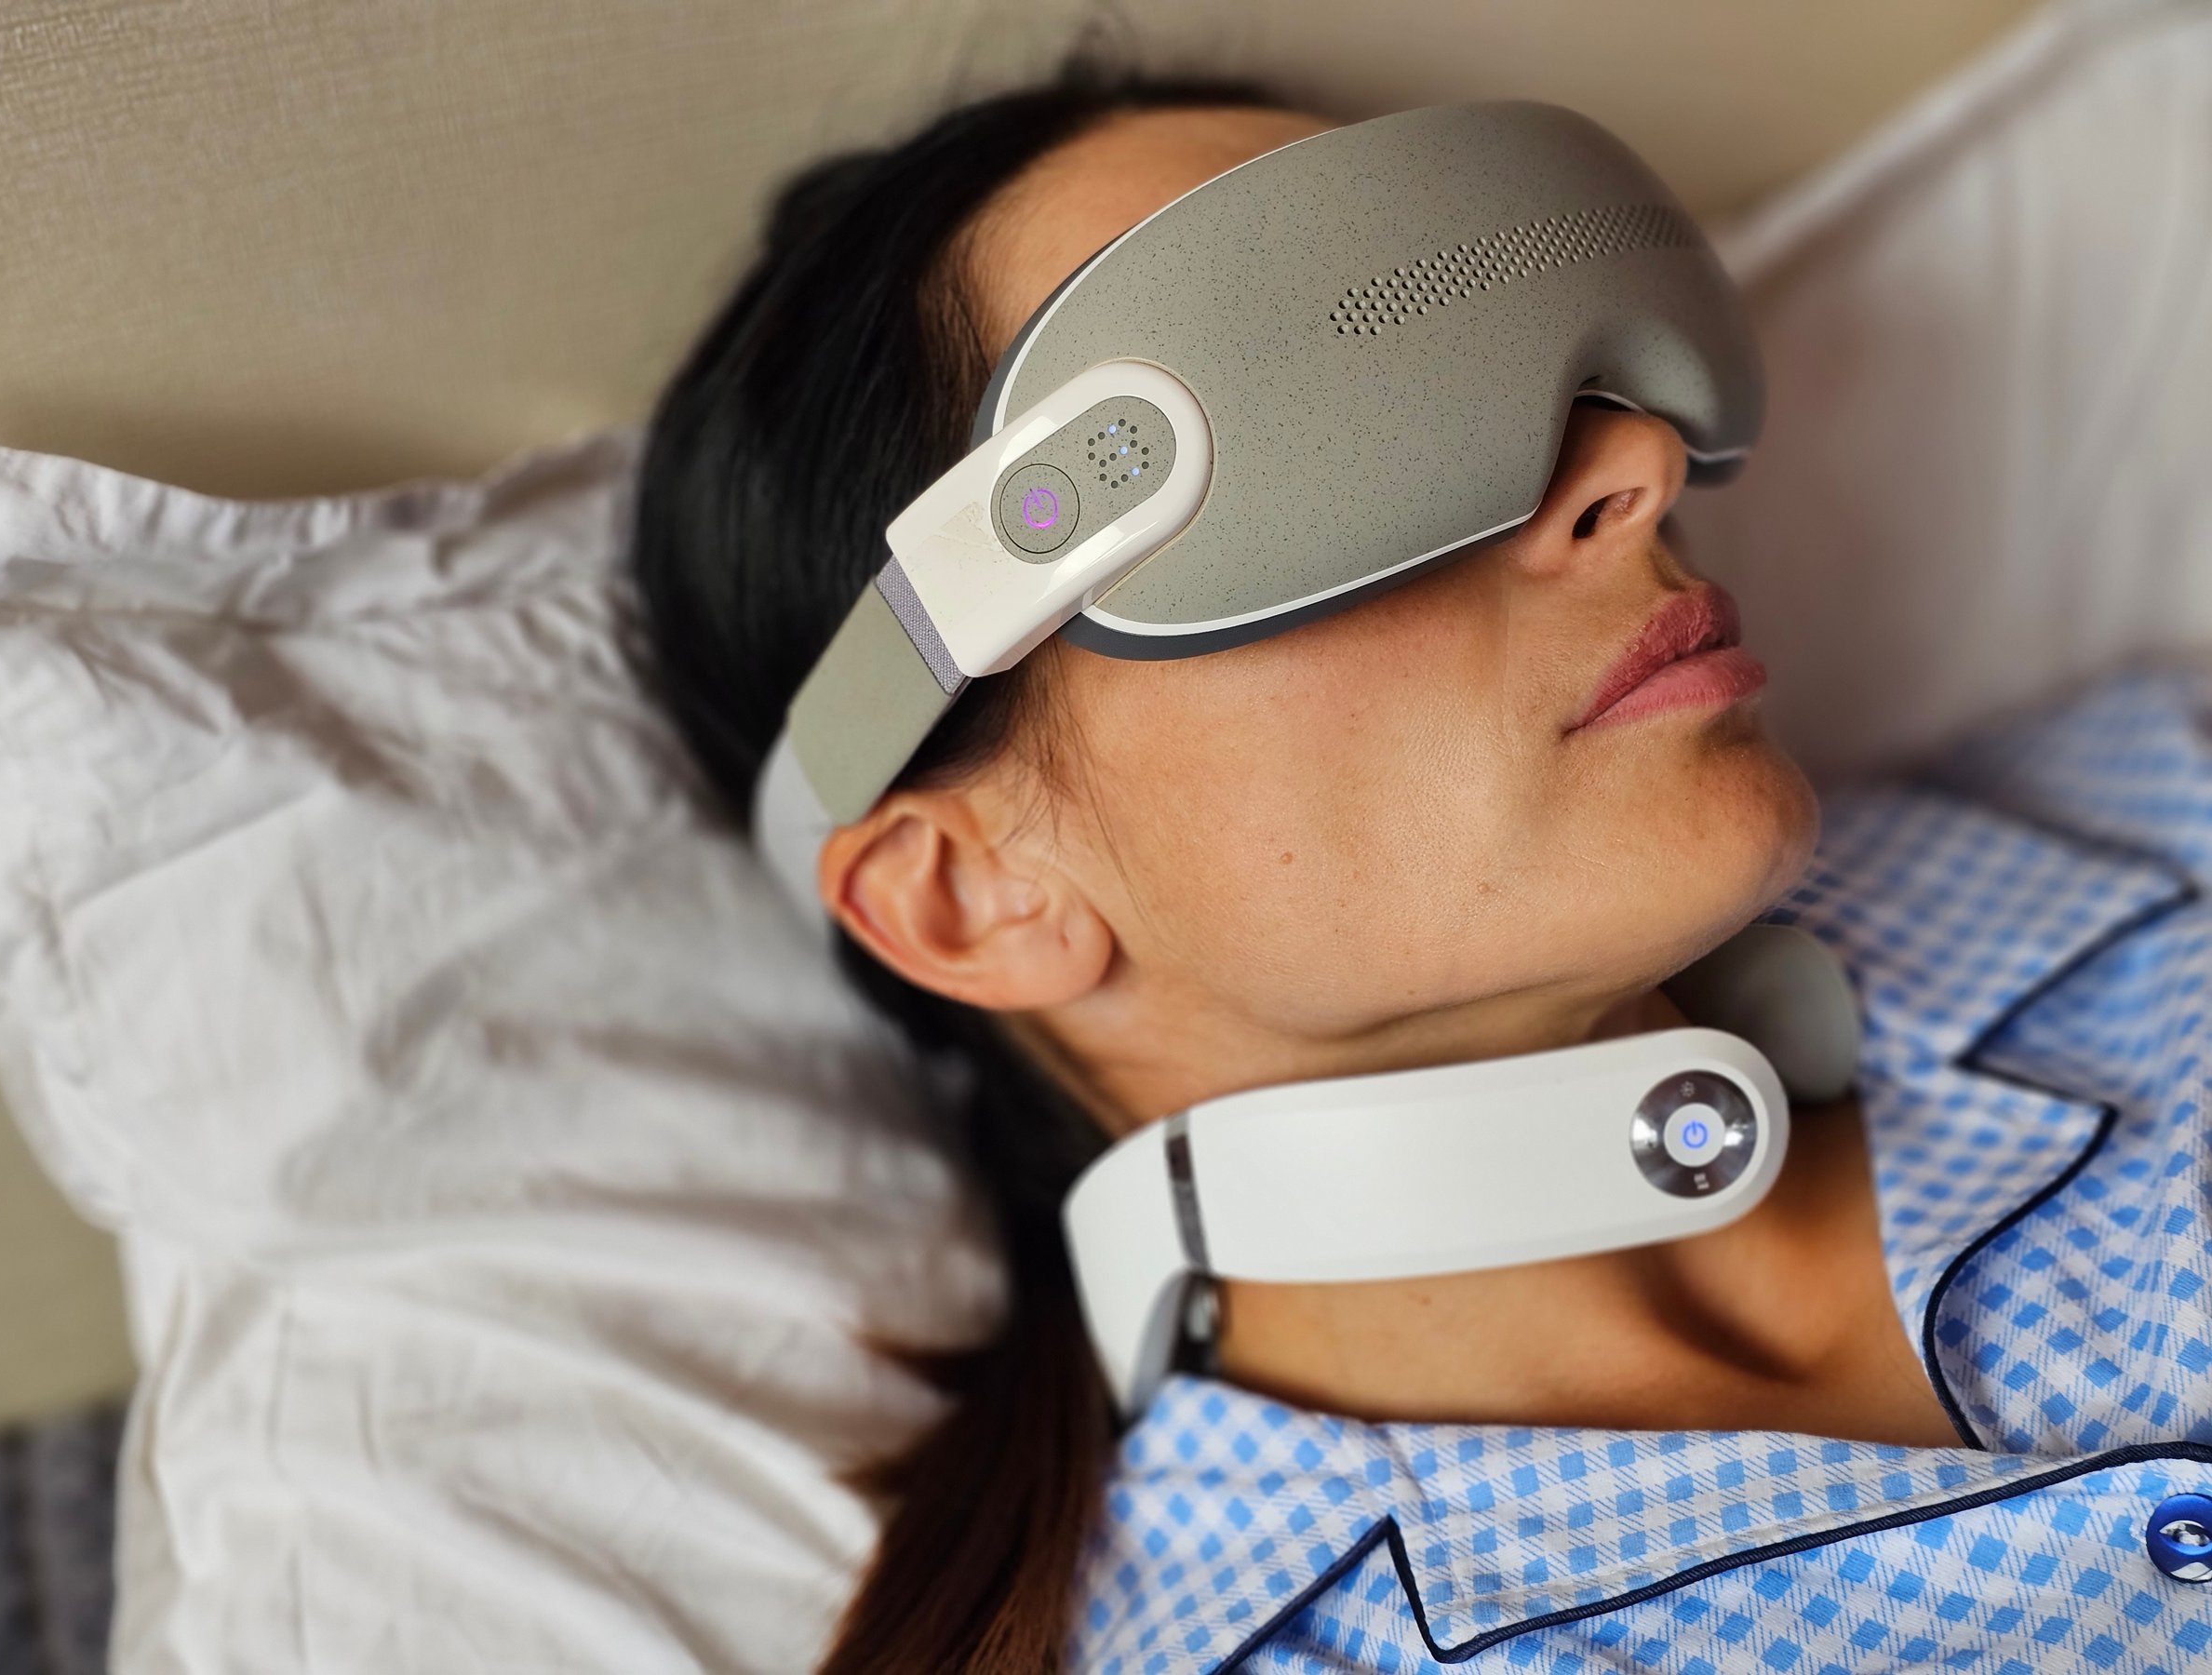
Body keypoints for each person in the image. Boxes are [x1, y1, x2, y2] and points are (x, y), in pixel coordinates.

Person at [626, 60, 2212, 1675]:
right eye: (1343, 435)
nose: (1634, 466)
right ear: (972, 899)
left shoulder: (2143, 809)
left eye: (1561, 365)